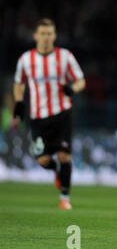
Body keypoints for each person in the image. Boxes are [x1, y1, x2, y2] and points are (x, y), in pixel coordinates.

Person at [12, 18, 85, 210]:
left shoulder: (65, 56)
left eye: (49, 34)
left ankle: (64, 198)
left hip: (62, 113)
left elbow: (80, 80)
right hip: (37, 117)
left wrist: (73, 89)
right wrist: (18, 102)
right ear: (36, 35)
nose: (45, 38)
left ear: (55, 36)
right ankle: (56, 172)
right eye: (42, 34)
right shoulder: (25, 59)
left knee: (64, 155)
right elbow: (18, 83)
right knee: (43, 160)